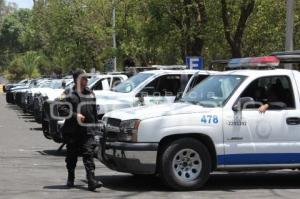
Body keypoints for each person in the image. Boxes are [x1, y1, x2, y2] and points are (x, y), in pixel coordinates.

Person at [58, 69, 102, 191]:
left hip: (87, 131)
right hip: (73, 131)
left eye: (87, 78)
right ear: (77, 80)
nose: (87, 80)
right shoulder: (68, 93)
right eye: (84, 78)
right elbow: (61, 110)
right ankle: (71, 176)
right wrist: (75, 115)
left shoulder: (90, 93)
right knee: (71, 156)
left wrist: (95, 128)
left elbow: (93, 112)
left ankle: (91, 180)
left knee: (88, 154)